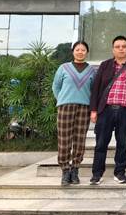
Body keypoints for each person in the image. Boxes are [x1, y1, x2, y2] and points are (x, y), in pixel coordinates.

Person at [89, 36, 126, 185]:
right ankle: (97, 174)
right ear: (113, 49)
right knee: (101, 143)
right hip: (105, 110)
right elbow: (96, 88)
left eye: (124, 46)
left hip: (125, 111)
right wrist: (93, 110)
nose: (121, 49)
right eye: (118, 46)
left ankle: (120, 173)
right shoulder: (105, 65)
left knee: (123, 144)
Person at [52, 41, 95, 186]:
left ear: (87, 52)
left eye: (83, 50)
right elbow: (56, 86)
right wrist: (62, 99)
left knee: (79, 140)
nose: (80, 52)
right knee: (64, 139)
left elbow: (94, 90)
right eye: (77, 49)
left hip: (84, 107)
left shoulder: (91, 70)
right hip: (65, 107)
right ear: (73, 51)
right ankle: (65, 170)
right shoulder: (63, 68)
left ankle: (75, 169)